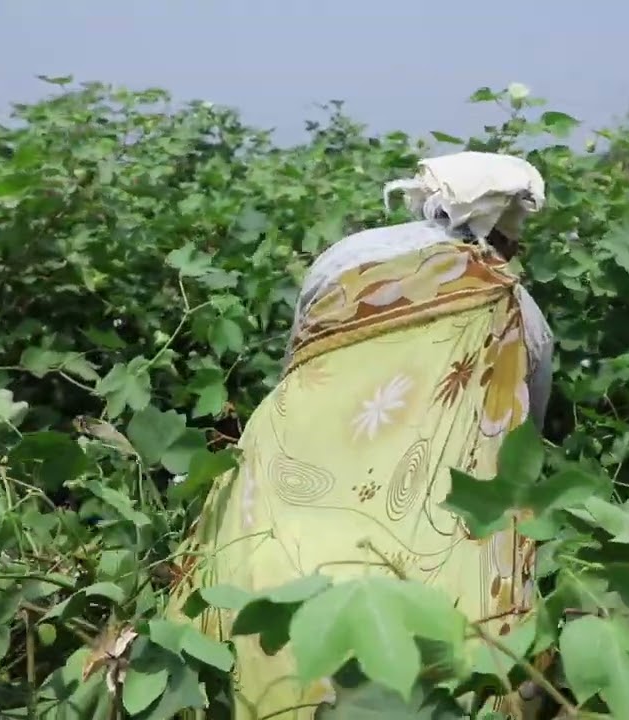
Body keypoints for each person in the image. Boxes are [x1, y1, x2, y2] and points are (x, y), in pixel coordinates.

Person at [169, 151, 556, 718]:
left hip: (290, 502)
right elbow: (522, 443)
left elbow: (300, 375)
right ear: (507, 234)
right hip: (432, 555)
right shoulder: (525, 317)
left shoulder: (344, 262)